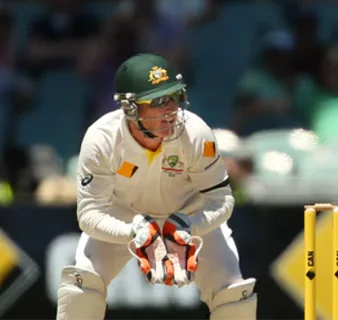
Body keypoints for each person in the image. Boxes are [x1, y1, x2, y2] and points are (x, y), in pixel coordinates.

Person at [55, 53, 257, 320]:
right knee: (83, 285)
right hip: (125, 215)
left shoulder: (195, 132)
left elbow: (221, 200)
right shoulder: (102, 139)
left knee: (232, 292)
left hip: (189, 215)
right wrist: (134, 231)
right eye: (158, 102)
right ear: (130, 108)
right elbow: (89, 214)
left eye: (174, 97)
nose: (171, 110)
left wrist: (188, 225)